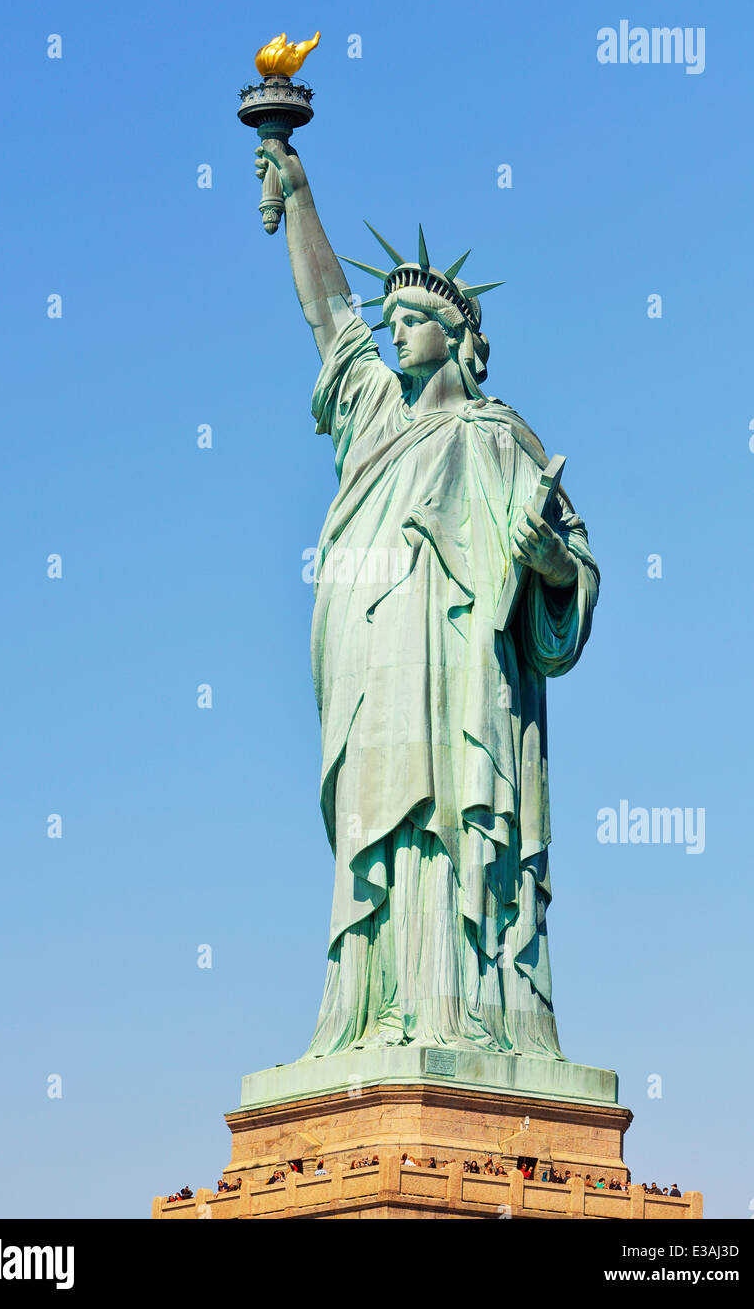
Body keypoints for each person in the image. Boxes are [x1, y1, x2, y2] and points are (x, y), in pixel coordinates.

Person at [253, 139, 600, 1058]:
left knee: (450, 829)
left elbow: (572, 580)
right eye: (393, 318)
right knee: (385, 830)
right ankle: (378, 1017)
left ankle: (469, 1015)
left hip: (465, 689)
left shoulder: (497, 438)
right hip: (374, 678)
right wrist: (299, 196)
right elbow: (329, 317)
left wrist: (551, 568)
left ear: (456, 335)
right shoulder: (373, 417)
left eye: (413, 318)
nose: (396, 329)